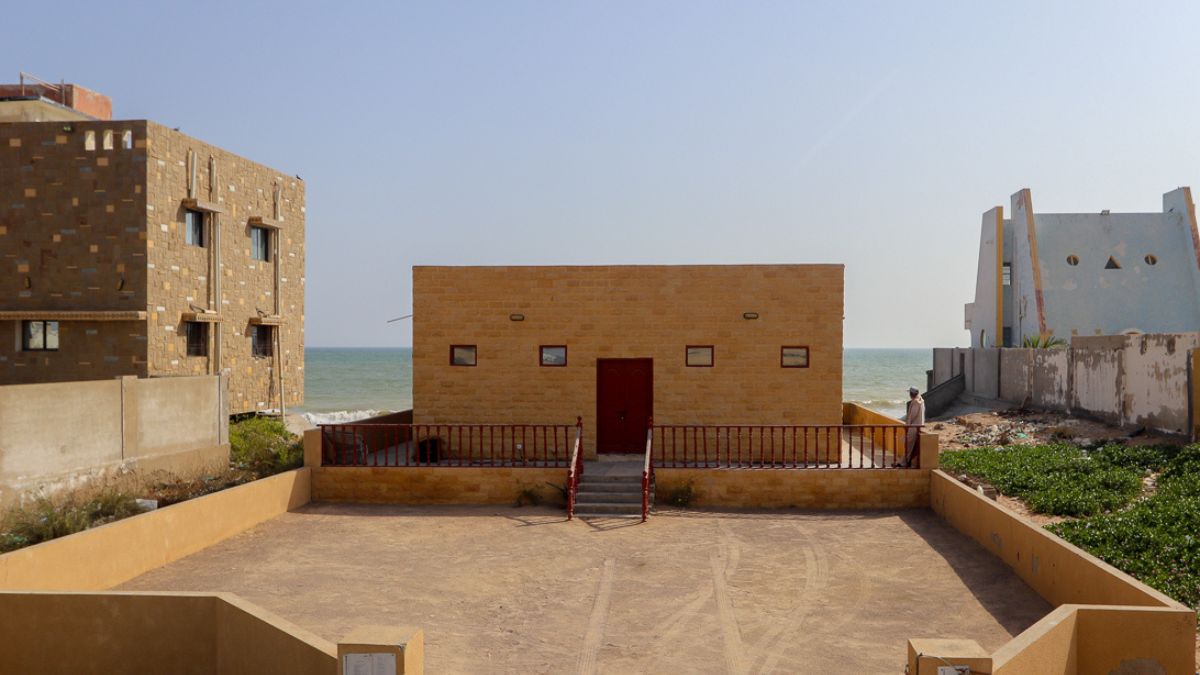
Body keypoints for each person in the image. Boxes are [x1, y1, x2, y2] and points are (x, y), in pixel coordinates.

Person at [898, 386, 925, 468]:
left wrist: (907, 426)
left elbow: (912, 416)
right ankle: (905, 461)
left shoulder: (916, 402)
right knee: (910, 445)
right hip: (917, 426)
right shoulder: (920, 401)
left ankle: (904, 463)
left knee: (908, 445)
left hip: (913, 427)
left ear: (912, 394)